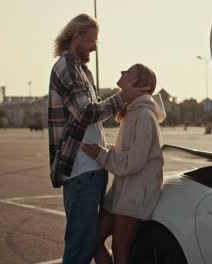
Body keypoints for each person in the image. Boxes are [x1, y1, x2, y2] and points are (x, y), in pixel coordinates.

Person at [48, 14, 146, 264]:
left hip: (91, 168)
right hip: (81, 171)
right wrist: (121, 97)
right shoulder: (66, 68)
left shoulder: (82, 71)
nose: (94, 47)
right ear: (77, 37)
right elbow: (86, 112)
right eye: (92, 41)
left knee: (89, 243)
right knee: (79, 248)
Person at [81, 63, 166, 264]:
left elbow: (133, 162)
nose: (121, 73)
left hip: (135, 194)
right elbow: (127, 154)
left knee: (120, 249)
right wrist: (103, 149)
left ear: (140, 84)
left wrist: (101, 155)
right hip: (122, 190)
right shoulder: (132, 112)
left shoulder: (145, 116)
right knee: (93, 240)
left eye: (127, 72)